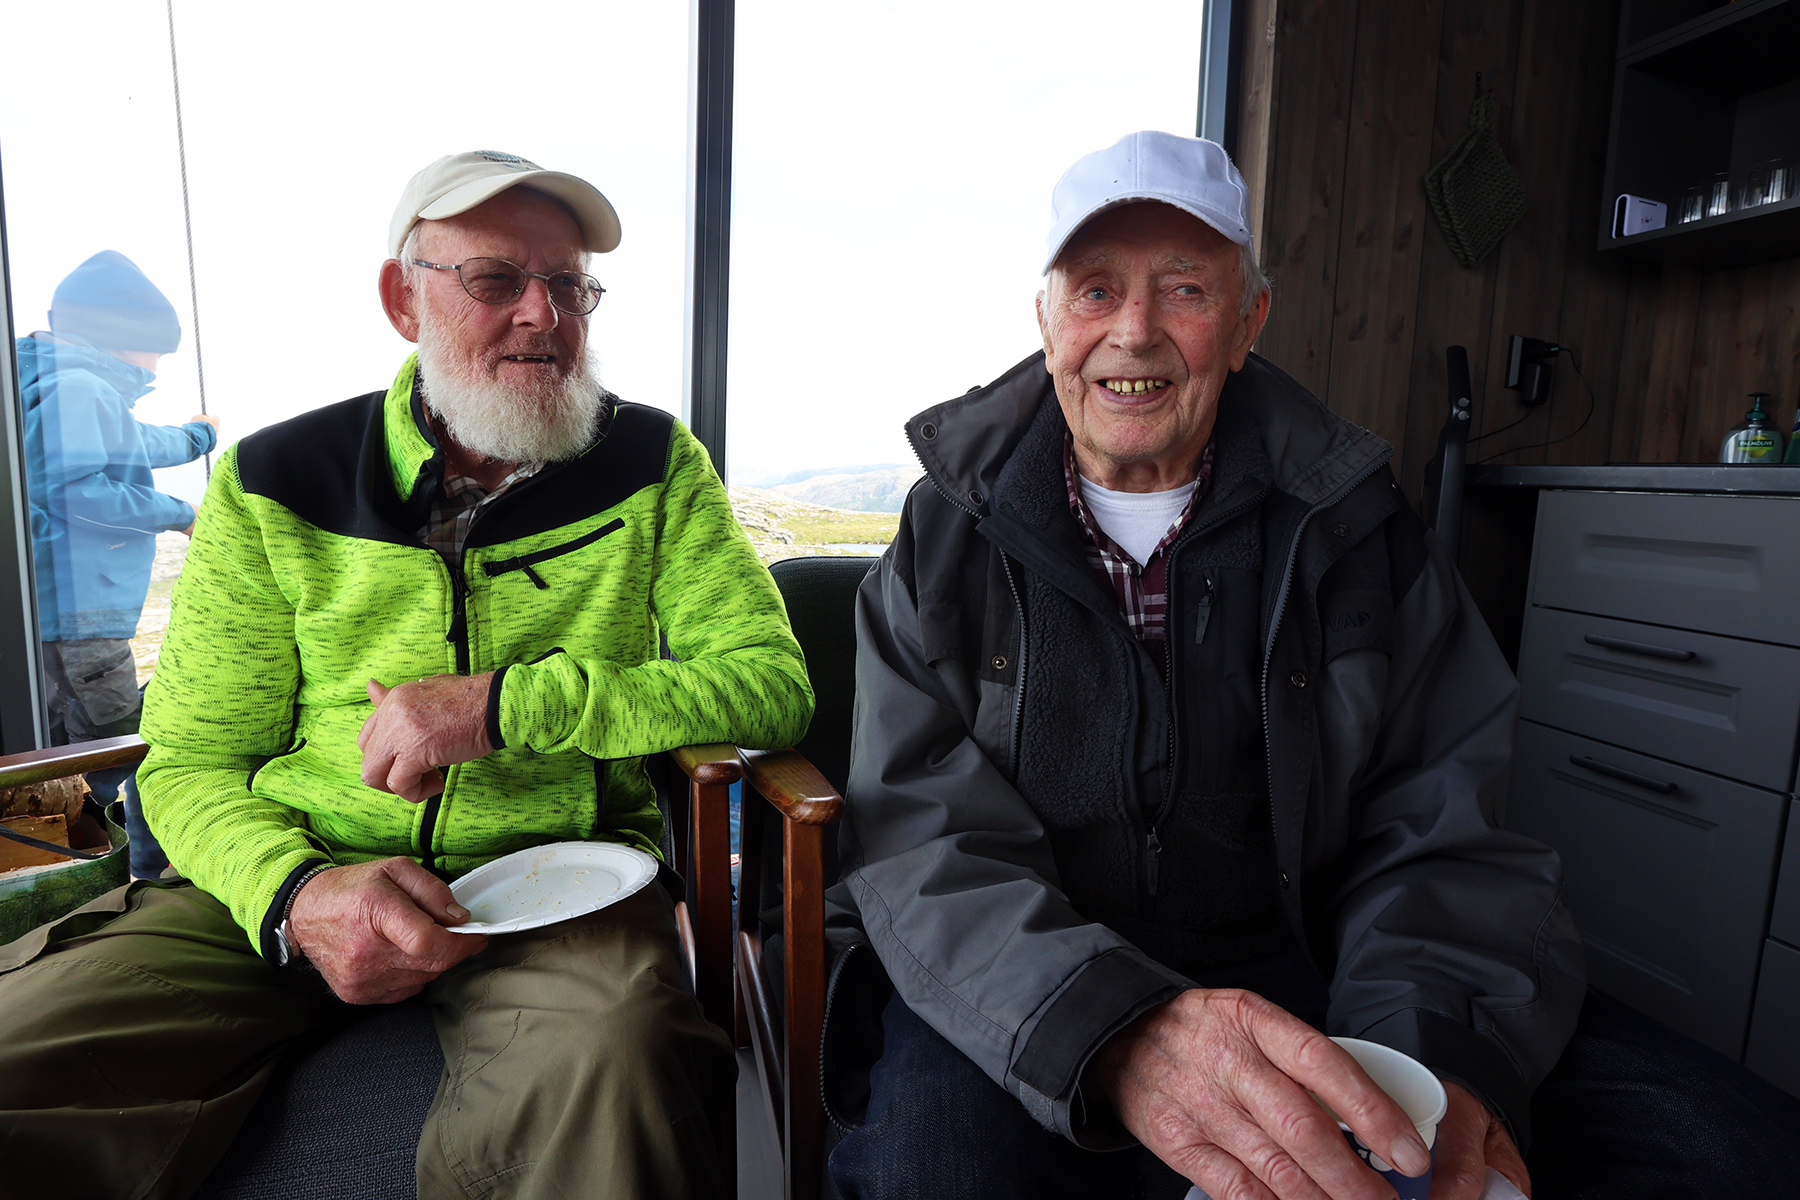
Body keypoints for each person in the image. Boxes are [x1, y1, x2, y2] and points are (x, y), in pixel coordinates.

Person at [824, 131, 1800, 1200]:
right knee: (932, 1174)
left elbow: (1442, 827)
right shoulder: (944, 533)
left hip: (1316, 967)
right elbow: (921, 840)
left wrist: (1427, 1050)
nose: (1134, 331)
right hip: (1025, 978)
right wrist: (1116, 1027)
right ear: (1047, 320)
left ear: (1249, 322)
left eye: (1185, 289)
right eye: (1096, 290)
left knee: (1731, 1151)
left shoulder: (1358, 525)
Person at [0, 150, 814, 1200]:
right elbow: (192, 760)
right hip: (277, 876)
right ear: (403, 299)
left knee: (616, 1064)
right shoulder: (275, 480)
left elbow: (767, 684)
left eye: (570, 286)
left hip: (555, 885)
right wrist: (296, 893)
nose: (544, 314)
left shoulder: (651, 463)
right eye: (496, 279)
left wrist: (509, 705)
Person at [18, 250, 219, 879]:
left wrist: (197, 438)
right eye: (157, 351)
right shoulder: (79, 387)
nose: (156, 368)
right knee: (125, 750)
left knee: (72, 749)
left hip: (52, 614)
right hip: (81, 616)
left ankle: (84, 858)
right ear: (127, 339)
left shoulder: (54, 381)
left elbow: (127, 441)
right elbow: (71, 487)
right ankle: (146, 878)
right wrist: (180, 513)